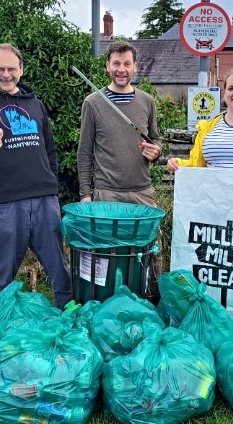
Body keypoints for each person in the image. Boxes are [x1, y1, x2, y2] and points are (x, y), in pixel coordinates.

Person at [0, 43, 72, 309]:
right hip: (6, 201)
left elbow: (49, 149)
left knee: (60, 270)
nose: (6, 74)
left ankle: (69, 320)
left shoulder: (36, 105)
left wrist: (52, 185)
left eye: (11, 69)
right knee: (3, 274)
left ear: (21, 69)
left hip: (45, 198)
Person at [76, 41, 163, 300]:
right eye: (116, 63)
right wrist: (85, 194)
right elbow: (84, 152)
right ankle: (104, 303)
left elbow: (156, 140)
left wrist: (155, 152)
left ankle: (151, 301)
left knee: (149, 251)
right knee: (107, 255)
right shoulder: (93, 102)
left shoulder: (147, 101)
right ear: (107, 66)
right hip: (107, 195)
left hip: (142, 193)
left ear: (135, 67)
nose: (121, 69)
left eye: (126, 64)